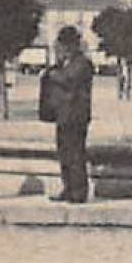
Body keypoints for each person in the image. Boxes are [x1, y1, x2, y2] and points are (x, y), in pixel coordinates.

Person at [43, 25, 94, 203]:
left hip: (76, 115)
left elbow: (68, 79)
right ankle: (68, 187)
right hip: (63, 115)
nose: (62, 48)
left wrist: (53, 73)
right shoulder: (65, 64)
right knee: (64, 154)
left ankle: (78, 192)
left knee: (75, 154)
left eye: (65, 45)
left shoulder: (82, 63)